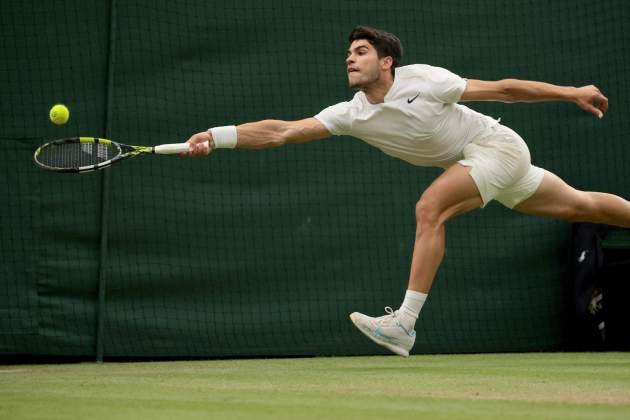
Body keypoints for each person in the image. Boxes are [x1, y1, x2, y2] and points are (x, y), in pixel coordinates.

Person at [185, 26, 628, 357]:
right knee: (583, 205)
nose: (350, 60)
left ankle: (404, 324)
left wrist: (572, 92)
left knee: (429, 208)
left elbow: (505, 90)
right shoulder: (351, 114)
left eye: (361, 52)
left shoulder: (425, 80)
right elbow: (282, 131)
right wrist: (218, 135)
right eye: (348, 54)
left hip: (495, 147)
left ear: (387, 62)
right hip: (493, 165)